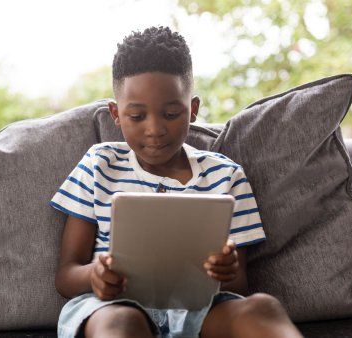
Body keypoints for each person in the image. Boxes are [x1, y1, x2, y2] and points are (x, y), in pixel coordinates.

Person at [49, 26, 302, 338]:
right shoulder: (99, 165)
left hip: (198, 310)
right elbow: (65, 275)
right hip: (112, 306)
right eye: (137, 116)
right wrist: (95, 275)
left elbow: (237, 286)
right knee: (118, 324)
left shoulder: (226, 176)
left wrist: (224, 270)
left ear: (192, 110)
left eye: (170, 114)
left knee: (262, 306)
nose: (155, 129)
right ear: (116, 114)